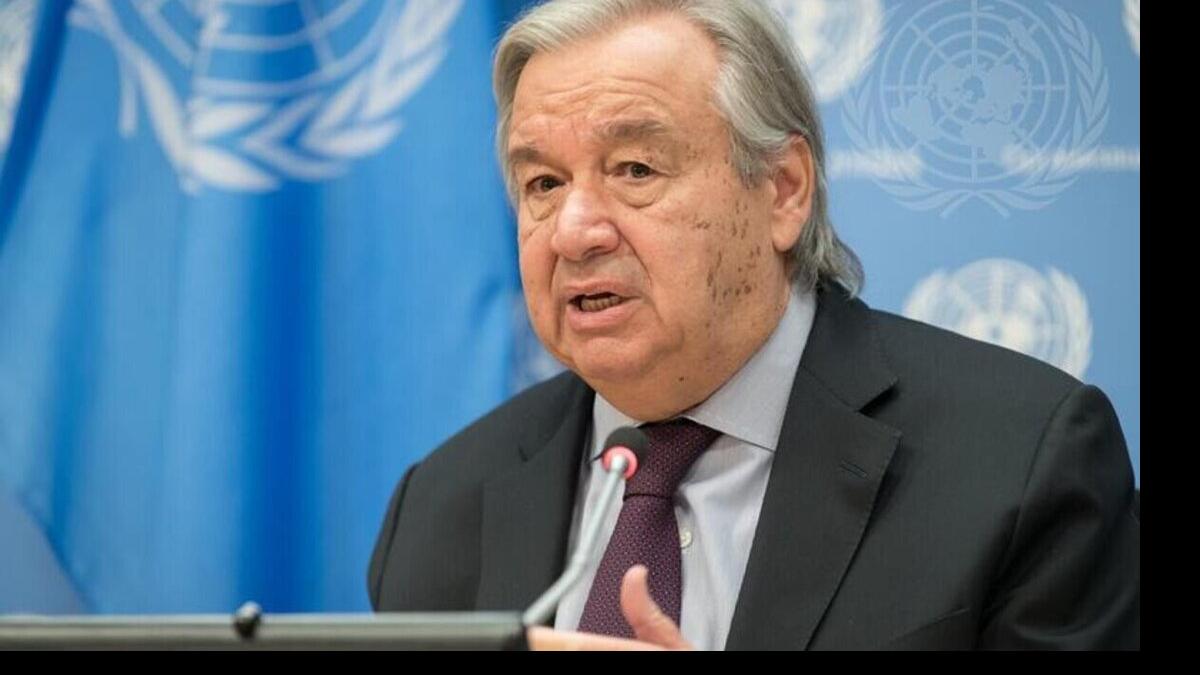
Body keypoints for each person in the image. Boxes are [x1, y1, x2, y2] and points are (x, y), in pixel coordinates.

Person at [368, 0, 1139, 650]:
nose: (573, 231)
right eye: (543, 182)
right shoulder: (442, 507)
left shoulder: (1020, 465)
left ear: (783, 190)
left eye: (635, 169)